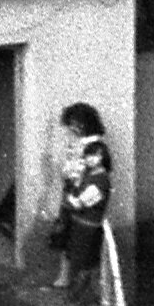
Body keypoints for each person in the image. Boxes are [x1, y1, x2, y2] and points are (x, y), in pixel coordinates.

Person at [47, 103, 107, 291]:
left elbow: (95, 173)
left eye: (76, 123)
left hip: (84, 197)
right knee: (65, 234)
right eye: (71, 123)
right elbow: (68, 168)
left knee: (82, 239)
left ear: (85, 123)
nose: (72, 128)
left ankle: (82, 281)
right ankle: (64, 276)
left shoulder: (96, 146)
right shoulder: (75, 143)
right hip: (71, 193)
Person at [60, 136, 113, 304]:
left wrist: (69, 198)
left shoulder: (101, 180)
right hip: (79, 226)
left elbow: (79, 202)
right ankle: (77, 299)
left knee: (83, 265)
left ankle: (78, 299)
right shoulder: (89, 174)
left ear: (102, 157)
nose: (90, 159)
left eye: (95, 155)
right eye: (88, 155)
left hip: (88, 228)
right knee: (78, 262)